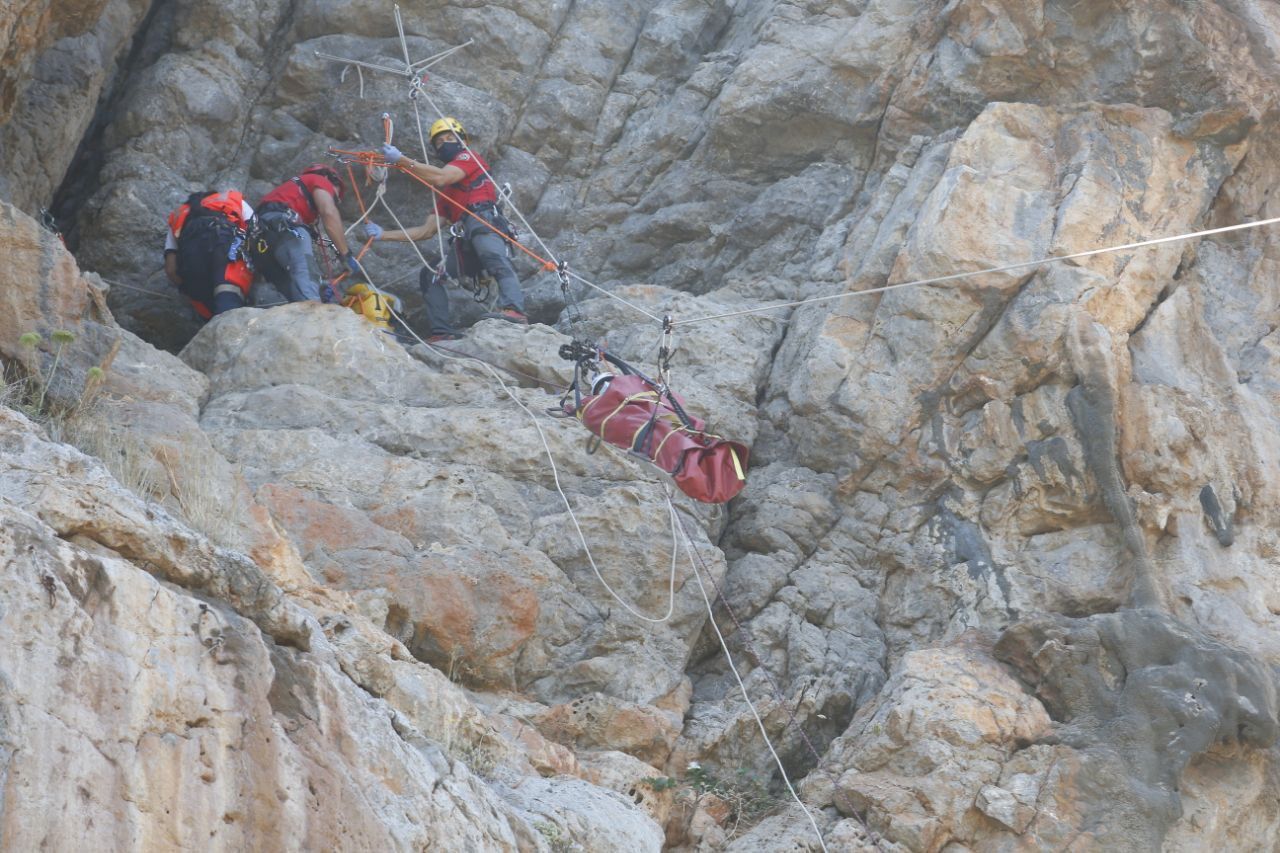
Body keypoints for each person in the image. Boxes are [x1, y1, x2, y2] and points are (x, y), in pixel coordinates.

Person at [364, 117, 528, 341]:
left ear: (462, 141)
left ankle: (514, 310)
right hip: (466, 241)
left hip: (483, 221)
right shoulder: (446, 195)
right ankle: (441, 331)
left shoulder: (469, 157)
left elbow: (441, 176)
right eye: (440, 142)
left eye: (450, 138)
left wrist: (401, 160)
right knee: (431, 274)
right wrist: (383, 234)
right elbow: (425, 231)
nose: (445, 143)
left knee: (494, 257)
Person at [251, 164, 359, 303]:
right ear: (328, 177)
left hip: (260, 240)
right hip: (284, 226)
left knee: (290, 289)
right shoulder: (319, 180)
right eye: (335, 197)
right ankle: (313, 314)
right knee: (306, 272)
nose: (334, 200)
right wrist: (346, 254)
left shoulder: (290, 193)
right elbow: (328, 212)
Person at [164, 189, 254, 320]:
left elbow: (171, 269)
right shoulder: (233, 200)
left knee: (210, 311)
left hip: (191, 259)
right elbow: (257, 234)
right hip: (223, 246)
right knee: (227, 301)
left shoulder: (179, 215)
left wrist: (188, 287)